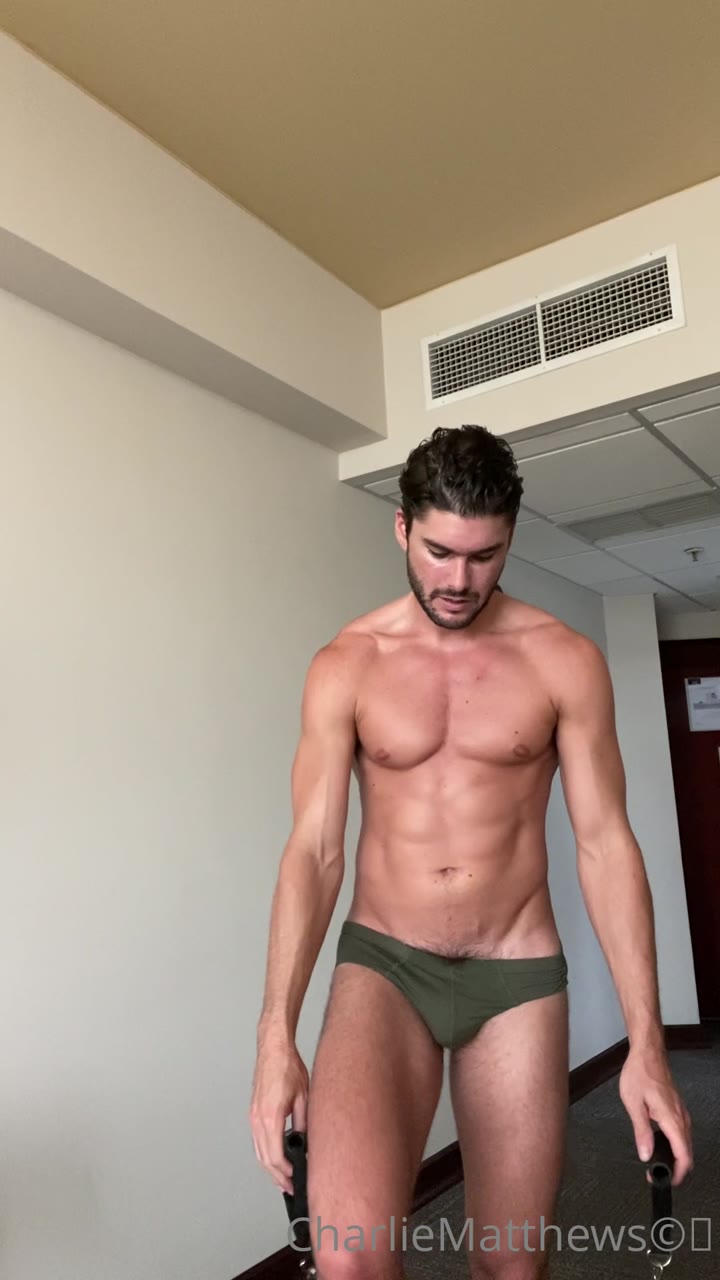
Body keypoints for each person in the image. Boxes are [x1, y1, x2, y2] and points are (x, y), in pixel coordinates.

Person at [249, 425, 693, 1279]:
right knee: (349, 1263)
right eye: (440, 552)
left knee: (510, 1266)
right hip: (385, 964)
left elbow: (605, 844)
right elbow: (313, 852)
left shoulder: (564, 661)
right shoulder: (347, 664)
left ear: (511, 538)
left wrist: (648, 1044)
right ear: (402, 529)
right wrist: (276, 1037)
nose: (459, 581)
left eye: (484, 556)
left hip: (516, 971)